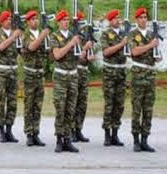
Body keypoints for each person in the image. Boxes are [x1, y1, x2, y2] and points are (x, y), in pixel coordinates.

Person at [49, 9, 92, 153]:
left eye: (68, 20)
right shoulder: (55, 36)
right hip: (61, 76)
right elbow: (57, 55)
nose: (66, 22)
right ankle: (59, 139)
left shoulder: (76, 36)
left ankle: (68, 139)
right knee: (60, 109)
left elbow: (78, 57)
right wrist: (71, 44)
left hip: (73, 75)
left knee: (70, 109)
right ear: (58, 22)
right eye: (63, 20)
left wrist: (84, 52)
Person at [129, 6, 160, 153]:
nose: (143, 19)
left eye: (145, 17)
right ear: (136, 19)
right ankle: (135, 140)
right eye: (141, 17)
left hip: (150, 76)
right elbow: (134, 52)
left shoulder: (152, 34)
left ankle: (145, 140)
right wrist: (150, 45)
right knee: (137, 110)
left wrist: (157, 50)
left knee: (148, 110)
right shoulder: (133, 34)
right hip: (138, 76)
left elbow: (158, 58)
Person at [20, 9, 51, 147]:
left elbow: (48, 53)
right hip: (30, 74)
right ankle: (29, 134)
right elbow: (31, 47)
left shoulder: (42, 35)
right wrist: (42, 36)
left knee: (38, 105)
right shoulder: (25, 35)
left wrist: (45, 38)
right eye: (32, 19)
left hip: (40, 74)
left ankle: (36, 132)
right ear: (27, 22)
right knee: (29, 105)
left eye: (36, 19)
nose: (35, 21)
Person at [101, 8, 128, 147]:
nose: (118, 20)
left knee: (119, 104)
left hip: (121, 73)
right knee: (109, 104)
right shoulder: (106, 34)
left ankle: (115, 134)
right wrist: (121, 44)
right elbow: (106, 52)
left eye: (119, 18)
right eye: (116, 18)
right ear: (110, 21)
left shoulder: (125, 34)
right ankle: (107, 134)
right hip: (110, 73)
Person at [0, 10, 22, 143]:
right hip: (2, 72)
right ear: (2, 21)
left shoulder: (15, 34)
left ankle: (9, 130)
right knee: (2, 102)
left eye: (10, 19)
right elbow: (1, 47)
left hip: (13, 71)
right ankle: (1, 131)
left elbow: (21, 51)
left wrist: (18, 38)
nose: (9, 21)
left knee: (12, 102)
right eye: (6, 19)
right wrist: (13, 37)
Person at [72, 11, 96, 143]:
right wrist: (85, 49)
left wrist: (90, 56)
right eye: (80, 22)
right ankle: (71, 130)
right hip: (76, 71)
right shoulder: (73, 37)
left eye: (83, 22)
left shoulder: (85, 37)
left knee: (82, 103)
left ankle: (79, 129)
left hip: (84, 72)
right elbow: (77, 56)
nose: (82, 25)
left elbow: (88, 57)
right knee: (73, 102)